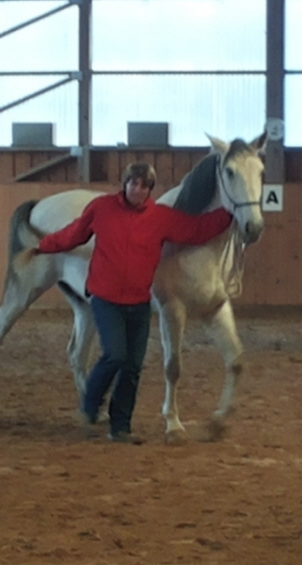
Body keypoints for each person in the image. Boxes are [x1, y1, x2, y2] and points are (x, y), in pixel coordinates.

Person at [33, 162, 233, 444]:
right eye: (133, 183)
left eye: (143, 186)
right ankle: (90, 405)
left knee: (132, 367)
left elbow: (196, 229)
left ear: (150, 190)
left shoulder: (160, 217)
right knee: (115, 354)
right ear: (125, 184)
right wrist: (44, 246)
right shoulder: (102, 208)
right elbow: (74, 234)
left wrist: (231, 212)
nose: (137, 189)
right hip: (105, 298)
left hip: (139, 301)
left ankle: (120, 427)